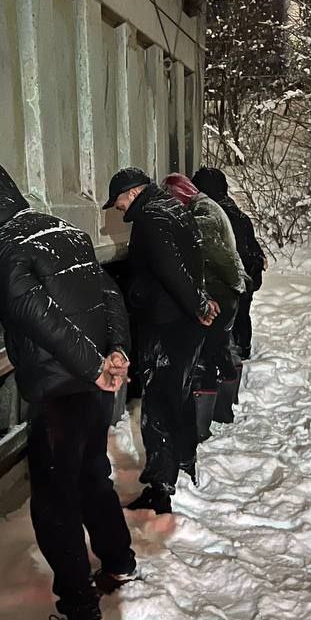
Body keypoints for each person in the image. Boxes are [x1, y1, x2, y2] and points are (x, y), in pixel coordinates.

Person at [0, 159, 137, 620]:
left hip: (60, 392)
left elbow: (29, 310)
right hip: (92, 386)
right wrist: (115, 351)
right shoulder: (65, 231)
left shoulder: (5, 245)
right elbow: (110, 294)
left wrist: (92, 365)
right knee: (92, 474)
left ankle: (80, 610)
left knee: (54, 502)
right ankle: (119, 561)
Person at [103, 167, 216, 514]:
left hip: (165, 325)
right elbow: (193, 263)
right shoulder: (173, 208)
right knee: (177, 396)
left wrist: (196, 304)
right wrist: (199, 301)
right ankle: (183, 462)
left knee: (157, 406)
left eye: (118, 201)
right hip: (181, 325)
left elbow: (171, 269)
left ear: (132, 193)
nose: (118, 208)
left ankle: (160, 488)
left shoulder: (150, 218)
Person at [162, 174, 246, 439]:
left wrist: (234, 282)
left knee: (205, 356)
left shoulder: (203, 212)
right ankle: (223, 410)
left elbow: (214, 252)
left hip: (218, 292)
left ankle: (200, 427)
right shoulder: (208, 206)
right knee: (219, 350)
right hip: (225, 291)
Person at [191, 167, 267, 360]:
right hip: (248, 272)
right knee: (242, 315)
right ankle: (243, 348)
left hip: (232, 278)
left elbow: (220, 252)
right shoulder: (235, 211)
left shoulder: (211, 213)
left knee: (229, 321)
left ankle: (236, 354)